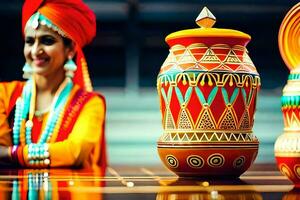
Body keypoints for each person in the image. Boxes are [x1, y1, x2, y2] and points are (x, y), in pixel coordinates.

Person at [0, 0, 106, 169]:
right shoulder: (5, 94)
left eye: (47, 41)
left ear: (70, 49)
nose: (35, 51)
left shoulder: (90, 104)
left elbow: (74, 152)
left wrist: (12, 153)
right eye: (29, 41)